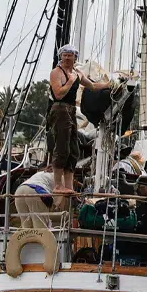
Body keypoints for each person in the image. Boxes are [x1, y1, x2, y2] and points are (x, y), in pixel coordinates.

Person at [48, 44, 109, 200]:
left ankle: (68, 186)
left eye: (71, 55)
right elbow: (59, 94)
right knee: (62, 146)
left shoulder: (77, 72)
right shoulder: (56, 73)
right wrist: (70, 81)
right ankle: (57, 185)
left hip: (71, 110)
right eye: (65, 55)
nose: (68, 58)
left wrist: (110, 85)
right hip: (60, 108)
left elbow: (93, 85)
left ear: (76, 57)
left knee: (73, 149)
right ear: (61, 57)